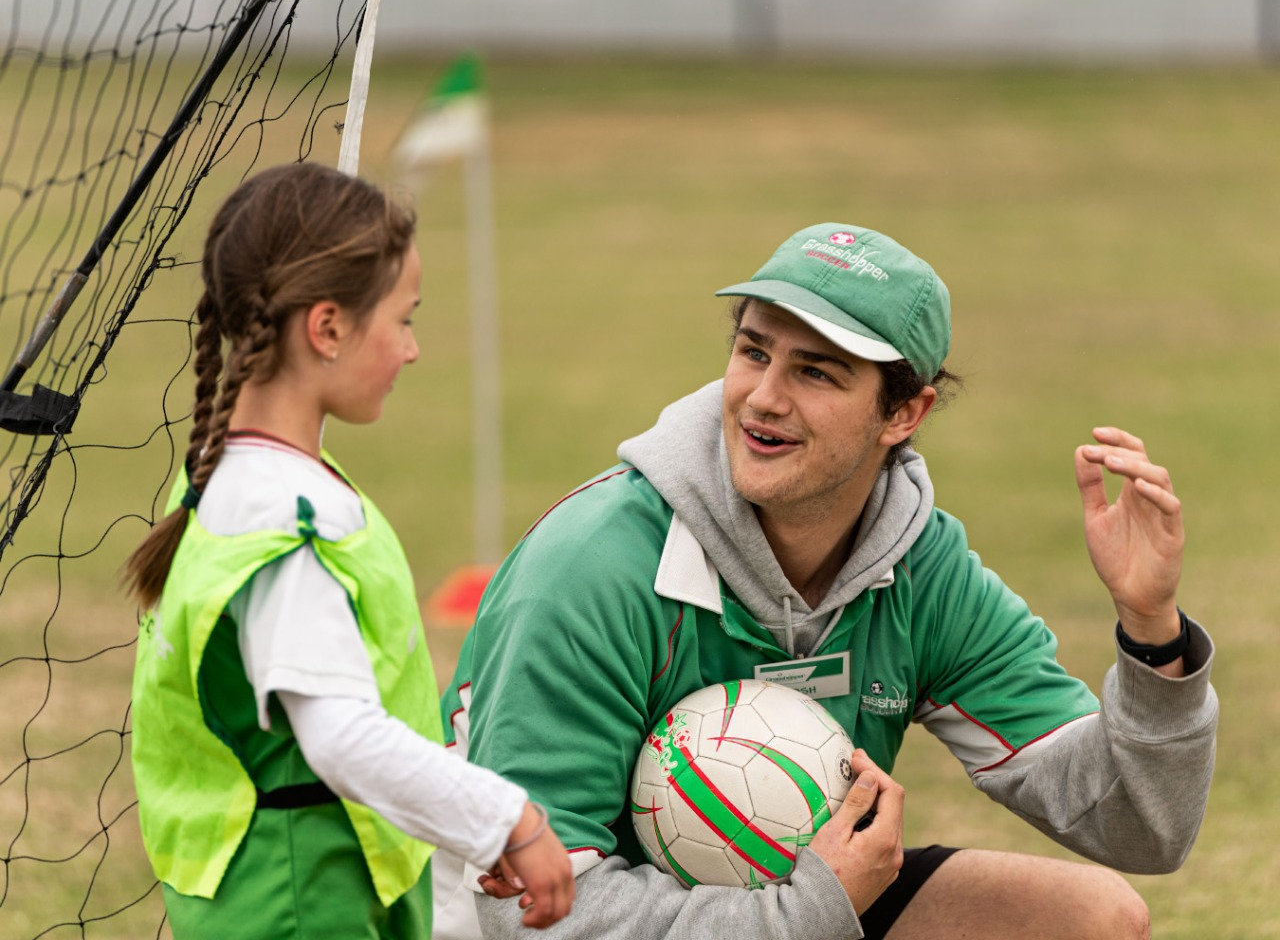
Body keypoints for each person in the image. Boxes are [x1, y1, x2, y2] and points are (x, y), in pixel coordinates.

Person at [432, 222, 1217, 940]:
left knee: (1092, 919)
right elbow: (531, 919)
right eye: (753, 352)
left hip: (801, 910)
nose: (763, 398)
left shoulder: (921, 571)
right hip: (558, 924)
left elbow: (1138, 826)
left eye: (815, 372)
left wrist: (1152, 630)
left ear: (904, 414)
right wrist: (806, 911)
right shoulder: (591, 569)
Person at [124, 162, 575, 939]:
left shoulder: (219, 480)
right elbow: (342, 738)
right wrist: (511, 821)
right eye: (403, 320)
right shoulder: (287, 526)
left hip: (252, 888)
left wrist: (460, 823)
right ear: (327, 328)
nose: (413, 349)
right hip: (303, 899)